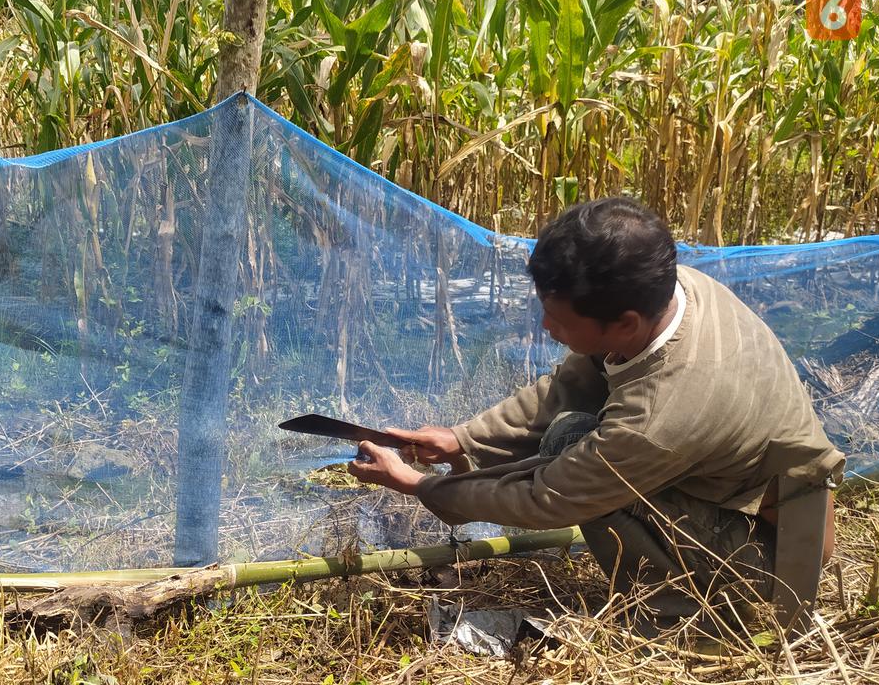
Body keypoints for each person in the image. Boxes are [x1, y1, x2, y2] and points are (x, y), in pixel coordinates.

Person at [347, 196, 845, 633]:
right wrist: (463, 440)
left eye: (559, 320)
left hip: (773, 560)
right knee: (570, 427)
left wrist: (418, 486)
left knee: (569, 443)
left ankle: (677, 615)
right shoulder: (671, 291)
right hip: (755, 508)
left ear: (625, 323)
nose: (546, 327)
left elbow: (550, 499)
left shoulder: (659, 417)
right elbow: (571, 386)